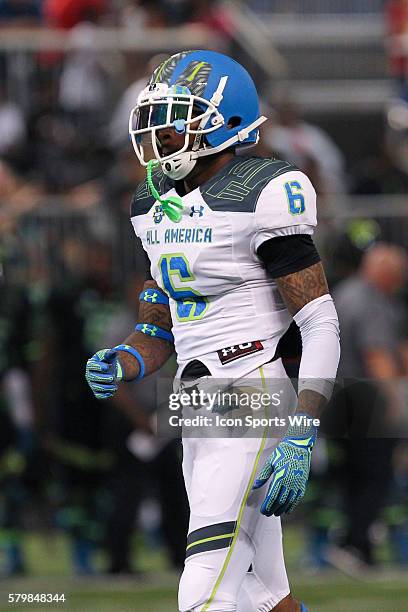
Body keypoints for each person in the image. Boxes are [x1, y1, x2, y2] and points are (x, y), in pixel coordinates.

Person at [85, 50, 340, 612]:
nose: (160, 135)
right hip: (197, 397)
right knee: (263, 589)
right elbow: (163, 316)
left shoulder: (263, 188)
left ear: (224, 122)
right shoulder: (151, 200)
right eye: (155, 120)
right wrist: (126, 359)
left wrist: (302, 427)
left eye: (176, 120)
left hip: (250, 385)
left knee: (205, 578)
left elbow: (318, 318)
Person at [324, 243, 408, 572]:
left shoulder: (346, 293)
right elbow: (377, 357)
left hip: (337, 396)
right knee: (375, 473)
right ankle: (356, 543)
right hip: (363, 399)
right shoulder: (369, 300)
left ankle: (351, 542)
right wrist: (395, 403)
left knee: (351, 475)